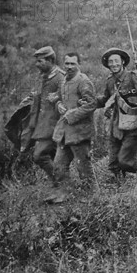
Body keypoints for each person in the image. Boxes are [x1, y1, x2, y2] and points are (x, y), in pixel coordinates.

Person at [96, 48, 137, 192]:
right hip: (117, 126)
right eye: (110, 62)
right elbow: (104, 99)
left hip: (135, 126)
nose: (114, 64)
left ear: (122, 62)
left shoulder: (135, 77)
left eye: (116, 61)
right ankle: (121, 190)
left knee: (125, 161)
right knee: (113, 164)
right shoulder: (110, 82)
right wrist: (90, 101)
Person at [46, 52, 97, 203]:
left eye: (72, 64)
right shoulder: (64, 82)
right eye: (67, 63)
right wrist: (59, 105)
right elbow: (60, 99)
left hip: (80, 132)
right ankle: (63, 193)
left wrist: (72, 114)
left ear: (78, 65)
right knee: (59, 165)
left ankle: (91, 196)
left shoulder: (83, 81)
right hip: (65, 133)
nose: (69, 67)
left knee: (83, 165)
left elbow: (91, 104)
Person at [23, 46, 65, 182]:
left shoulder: (60, 77)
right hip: (41, 124)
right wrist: (29, 99)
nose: (37, 65)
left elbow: (66, 98)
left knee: (39, 155)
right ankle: (59, 185)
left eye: (40, 61)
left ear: (50, 60)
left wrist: (57, 98)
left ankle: (60, 181)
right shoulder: (43, 76)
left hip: (54, 124)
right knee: (52, 156)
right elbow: (38, 94)